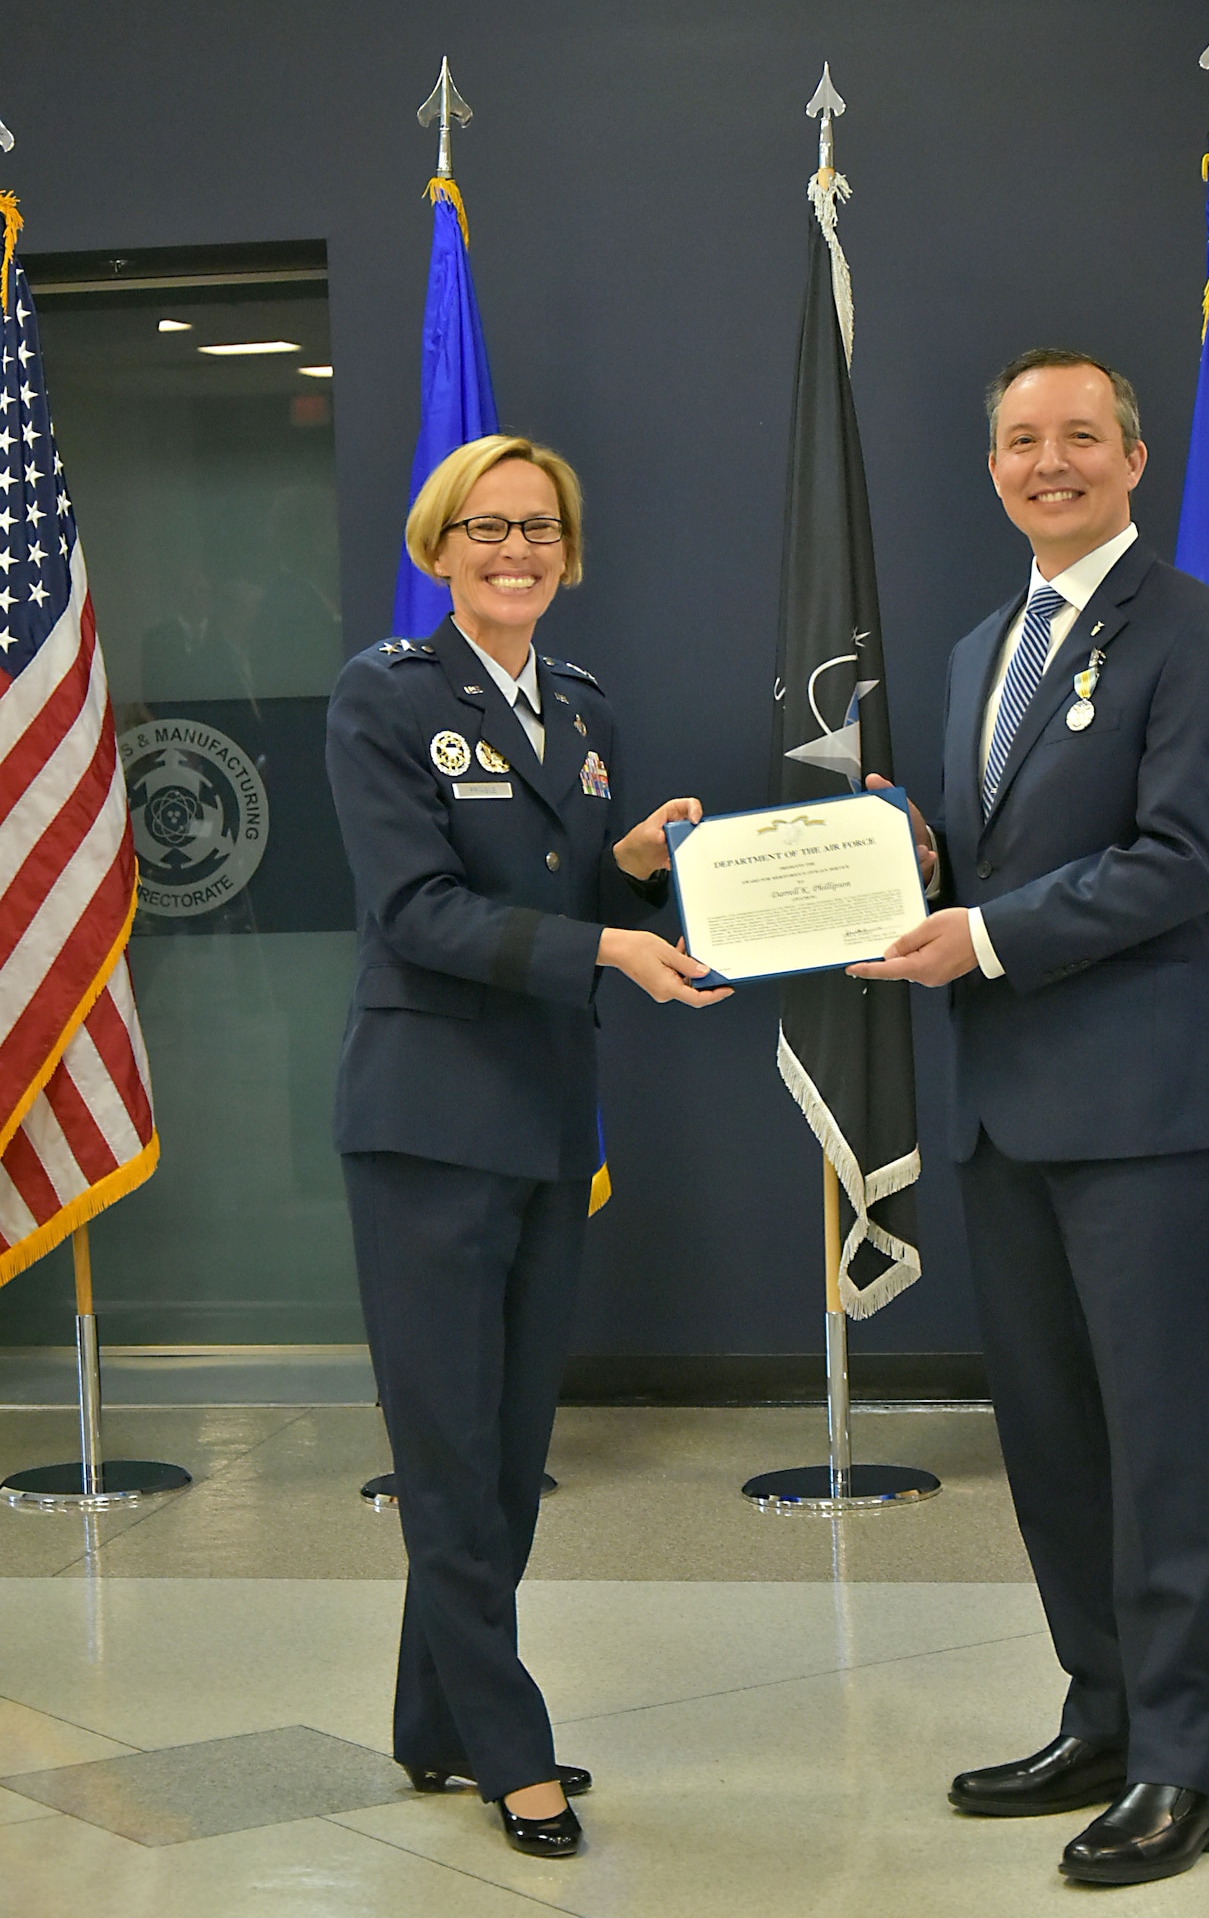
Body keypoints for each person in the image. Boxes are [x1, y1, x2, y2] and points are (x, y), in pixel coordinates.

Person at [851, 350, 1209, 1888]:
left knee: (1165, 1448)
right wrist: (906, 858)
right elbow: (984, 855)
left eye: (1080, 437)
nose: (1050, 462)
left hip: (1139, 1114)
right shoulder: (976, 651)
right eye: (1022, 440)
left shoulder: (1201, 634)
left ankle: (1183, 1765)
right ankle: (1099, 1713)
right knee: (1050, 1443)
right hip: (1003, 1115)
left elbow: (1183, 861)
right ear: (992, 469)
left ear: (1134, 460)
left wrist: (985, 933)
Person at [326, 434, 728, 1860]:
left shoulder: (579, 700)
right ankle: (512, 1751)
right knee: (446, 1455)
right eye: (488, 528)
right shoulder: (385, 696)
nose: (517, 551)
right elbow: (420, 911)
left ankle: (433, 1720)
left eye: (541, 528)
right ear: (441, 546)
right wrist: (611, 937)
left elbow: (548, 870)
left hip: (547, 1121)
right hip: (428, 1125)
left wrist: (627, 862)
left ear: (569, 548)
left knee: (503, 1459)